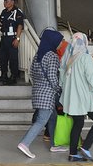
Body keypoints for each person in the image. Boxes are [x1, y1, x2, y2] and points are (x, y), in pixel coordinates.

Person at [60, 33, 93, 162]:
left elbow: (62, 81)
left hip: (72, 98)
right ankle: (85, 147)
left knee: (77, 123)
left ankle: (73, 154)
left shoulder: (67, 59)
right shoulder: (85, 58)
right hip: (85, 97)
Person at [16, 29, 65, 159]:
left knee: (52, 117)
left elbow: (32, 72)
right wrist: (59, 89)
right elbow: (52, 77)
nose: (61, 44)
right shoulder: (52, 56)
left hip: (38, 91)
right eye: (60, 41)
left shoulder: (39, 55)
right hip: (48, 94)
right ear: (53, 41)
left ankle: (54, 144)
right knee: (41, 121)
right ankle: (25, 143)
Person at [0, 0, 25, 85]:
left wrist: (17, 38)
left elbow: (20, 26)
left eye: (6, 1)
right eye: (4, 1)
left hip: (12, 38)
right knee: (2, 57)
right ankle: (4, 75)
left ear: (12, 2)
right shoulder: (4, 12)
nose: (4, 3)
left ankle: (13, 76)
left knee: (13, 58)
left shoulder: (17, 12)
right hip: (4, 37)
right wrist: (1, 24)